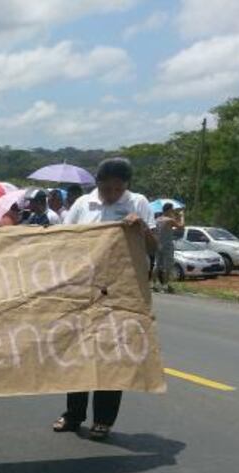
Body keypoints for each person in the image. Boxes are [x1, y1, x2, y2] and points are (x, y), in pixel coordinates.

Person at [55, 157, 155, 441]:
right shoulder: (82, 205)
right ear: (96, 184)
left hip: (120, 291)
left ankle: (103, 419)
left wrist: (141, 228)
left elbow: (152, 248)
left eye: (117, 189)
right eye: (105, 189)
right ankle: (73, 414)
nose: (111, 194)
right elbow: (64, 241)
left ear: (126, 186)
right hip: (83, 289)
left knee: (112, 354)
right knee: (78, 352)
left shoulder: (138, 203)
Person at [153, 202, 183, 293]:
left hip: (158, 244)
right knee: (167, 266)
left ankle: (154, 284)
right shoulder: (169, 220)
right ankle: (165, 286)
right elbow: (181, 226)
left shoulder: (157, 220)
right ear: (169, 210)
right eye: (172, 210)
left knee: (157, 265)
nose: (173, 211)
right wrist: (181, 216)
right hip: (167, 245)